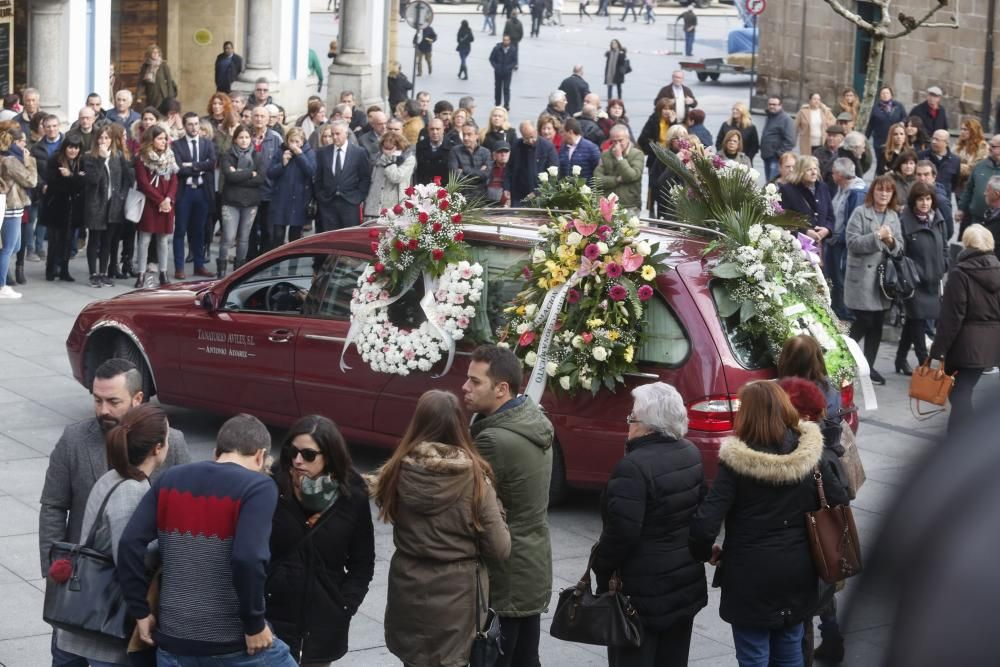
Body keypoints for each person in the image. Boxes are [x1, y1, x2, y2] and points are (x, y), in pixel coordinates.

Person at [39, 358, 191, 667]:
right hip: (81, 591)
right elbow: (53, 507)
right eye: (97, 399)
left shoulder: (171, 441)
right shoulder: (74, 440)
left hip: (122, 603)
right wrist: (56, 575)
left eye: (113, 401)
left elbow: (184, 507)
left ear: (137, 399)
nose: (103, 410)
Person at [689, 381, 849, 667]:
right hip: (799, 571)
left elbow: (705, 525)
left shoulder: (736, 464)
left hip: (750, 575)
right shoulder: (811, 456)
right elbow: (839, 498)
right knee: (790, 652)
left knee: (753, 656)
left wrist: (705, 552)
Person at [118, 413, 296, 664]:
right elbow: (248, 558)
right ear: (260, 455)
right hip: (232, 642)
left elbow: (129, 544)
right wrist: (254, 625)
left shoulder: (171, 479)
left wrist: (141, 610)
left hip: (173, 641)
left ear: (216, 452)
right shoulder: (257, 487)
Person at [373, 390, 511, 667]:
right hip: (457, 597)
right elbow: (500, 548)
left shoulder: (395, 471)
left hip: (407, 586)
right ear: (460, 426)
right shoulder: (476, 480)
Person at [592, 382, 708, 667]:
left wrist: (600, 565)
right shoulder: (690, 453)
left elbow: (621, 534)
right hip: (682, 586)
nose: (628, 424)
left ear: (648, 425)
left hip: (641, 594)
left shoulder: (633, 467)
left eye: (632, 418)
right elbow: (699, 512)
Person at [54, 404, 171, 667]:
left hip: (94, 619)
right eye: (167, 436)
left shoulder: (113, 477)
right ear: (157, 448)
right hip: (107, 627)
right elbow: (129, 556)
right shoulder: (131, 490)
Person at [463, 345, 552, 667]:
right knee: (525, 657)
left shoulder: (493, 441)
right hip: (530, 564)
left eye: (475, 382)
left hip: (507, 571)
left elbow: (470, 504)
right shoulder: (531, 419)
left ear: (502, 389)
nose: (466, 387)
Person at [266, 415, 375, 664]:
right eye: (292, 452)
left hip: (322, 625)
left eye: (308, 454)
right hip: (273, 623)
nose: (297, 460)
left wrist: (344, 606)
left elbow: (363, 562)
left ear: (329, 456)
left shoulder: (352, 497)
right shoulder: (272, 489)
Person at [930, 224, 1000, 433]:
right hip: (991, 345)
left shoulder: (960, 273)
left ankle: (963, 438)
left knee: (959, 393)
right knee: (962, 391)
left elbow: (951, 317)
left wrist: (938, 350)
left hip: (964, 345)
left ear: (967, 244)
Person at [845, 173, 904, 385]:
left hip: (881, 282)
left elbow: (899, 248)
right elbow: (852, 243)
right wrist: (876, 237)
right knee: (864, 320)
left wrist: (890, 241)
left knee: (877, 323)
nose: (884, 193)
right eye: (880, 189)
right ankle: (842, 356)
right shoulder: (860, 213)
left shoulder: (893, 216)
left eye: (888, 190)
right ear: (873, 191)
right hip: (861, 278)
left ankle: (868, 367)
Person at [894, 181, 949, 375]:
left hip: (934, 280)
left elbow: (944, 245)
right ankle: (923, 363)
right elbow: (902, 253)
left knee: (913, 321)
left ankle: (900, 360)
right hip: (914, 282)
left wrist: (944, 263)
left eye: (927, 199)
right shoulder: (905, 221)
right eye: (920, 199)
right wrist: (912, 274)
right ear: (913, 201)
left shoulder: (938, 219)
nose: (925, 203)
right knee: (917, 320)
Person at [82, 124, 134, 288]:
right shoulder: (90, 156)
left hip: (114, 203)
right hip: (96, 203)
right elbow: (93, 179)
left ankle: (104, 272)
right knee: (95, 239)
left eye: (107, 138)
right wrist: (102, 159)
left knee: (108, 240)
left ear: (112, 140)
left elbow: (127, 178)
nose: (103, 141)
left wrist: (122, 195)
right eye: (101, 137)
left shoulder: (118, 156)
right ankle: (93, 274)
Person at [170, 112, 216, 279]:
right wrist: (199, 167)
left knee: (199, 230)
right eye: (190, 124)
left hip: (202, 192)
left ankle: (199, 265)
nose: (194, 127)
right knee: (180, 230)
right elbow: (179, 168)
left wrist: (192, 165)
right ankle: (179, 267)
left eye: (196, 124)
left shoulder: (207, 144)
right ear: (184, 125)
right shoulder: (176, 145)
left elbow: (211, 163)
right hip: (185, 192)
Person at [134, 125, 179, 287]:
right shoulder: (142, 157)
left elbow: (174, 180)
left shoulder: (170, 155)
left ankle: (163, 273)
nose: (164, 141)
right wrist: (160, 200)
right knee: (144, 240)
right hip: (150, 203)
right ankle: (140, 274)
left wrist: (168, 199)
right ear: (151, 140)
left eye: (165, 138)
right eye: (160, 138)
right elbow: (143, 184)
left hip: (167, 204)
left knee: (163, 239)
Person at [219, 124, 262, 274]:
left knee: (244, 239)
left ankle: (238, 272)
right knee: (228, 238)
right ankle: (221, 272)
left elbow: (260, 179)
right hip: (231, 201)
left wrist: (238, 173)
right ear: (235, 139)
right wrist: (250, 173)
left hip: (250, 203)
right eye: (241, 137)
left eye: (247, 137)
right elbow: (229, 177)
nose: (244, 140)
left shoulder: (257, 156)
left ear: (251, 139)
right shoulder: (227, 155)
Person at [40, 134, 84, 283]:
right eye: (70, 147)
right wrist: (74, 179)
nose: (73, 151)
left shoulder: (79, 162)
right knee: (55, 240)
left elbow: (81, 185)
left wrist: (71, 176)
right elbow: (55, 185)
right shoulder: (55, 160)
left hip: (73, 208)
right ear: (65, 147)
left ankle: (64, 270)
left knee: (68, 240)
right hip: (56, 207)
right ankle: (50, 269)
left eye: (76, 148)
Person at [828, 157, 867, 321]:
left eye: (833, 172)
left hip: (843, 243)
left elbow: (852, 222)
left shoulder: (856, 192)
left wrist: (839, 238)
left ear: (839, 174)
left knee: (842, 277)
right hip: (836, 240)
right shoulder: (842, 188)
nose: (831, 175)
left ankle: (845, 311)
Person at [0, 127, 37, 299]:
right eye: (22, 141)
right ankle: (2, 286)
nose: (25, 144)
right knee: (8, 248)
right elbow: (31, 180)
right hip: (11, 206)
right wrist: (29, 161)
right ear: (14, 142)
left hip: (11, 206)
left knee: (14, 246)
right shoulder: (10, 160)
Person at [314, 120, 370, 231]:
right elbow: (318, 177)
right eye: (332, 134)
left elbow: (365, 177)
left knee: (349, 237)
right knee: (330, 237)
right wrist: (320, 195)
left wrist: (359, 196)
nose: (334, 137)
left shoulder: (358, 153)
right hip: (328, 202)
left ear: (346, 134)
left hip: (350, 202)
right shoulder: (323, 152)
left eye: (337, 134)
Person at [266, 126, 315, 249]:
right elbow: (270, 173)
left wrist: (300, 155)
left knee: (295, 238)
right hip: (281, 199)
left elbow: (311, 172)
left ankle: (292, 267)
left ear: (302, 142)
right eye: (291, 141)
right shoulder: (280, 151)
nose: (293, 145)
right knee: (277, 236)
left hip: (299, 199)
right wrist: (282, 163)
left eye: (297, 141)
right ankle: (275, 267)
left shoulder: (309, 152)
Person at [504, 120, 559, 206]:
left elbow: (553, 175)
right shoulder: (516, 145)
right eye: (526, 138)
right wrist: (506, 187)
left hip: (540, 195)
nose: (530, 140)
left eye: (532, 137)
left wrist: (537, 192)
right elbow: (509, 168)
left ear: (536, 131)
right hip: (518, 194)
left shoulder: (547, 147)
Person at [780, 154, 834, 240]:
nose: (814, 173)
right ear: (799, 171)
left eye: (815, 169)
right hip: (798, 245)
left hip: (821, 244)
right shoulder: (787, 190)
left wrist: (827, 229)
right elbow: (782, 220)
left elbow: (830, 216)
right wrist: (805, 232)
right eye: (809, 170)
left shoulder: (823, 187)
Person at [594, 123, 644, 211]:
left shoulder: (637, 154)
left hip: (630, 205)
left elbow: (631, 176)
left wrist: (619, 158)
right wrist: (616, 180)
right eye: (614, 141)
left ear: (628, 138)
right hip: (609, 205)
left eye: (620, 140)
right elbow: (597, 180)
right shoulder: (605, 154)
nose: (617, 144)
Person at [364, 131, 416, 218]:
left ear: (399, 147)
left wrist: (389, 162)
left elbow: (396, 177)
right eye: (385, 148)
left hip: (395, 207)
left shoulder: (409, 159)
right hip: (374, 208)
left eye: (390, 148)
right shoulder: (378, 158)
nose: (387, 151)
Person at [867, 86, 908, 163]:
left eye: (887, 93)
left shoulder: (898, 106)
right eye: (883, 93)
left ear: (891, 95)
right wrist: (865, 138)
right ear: (879, 96)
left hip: (895, 140)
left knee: (894, 161)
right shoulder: (875, 108)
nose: (885, 95)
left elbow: (905, 118)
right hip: (880, 141)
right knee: (881, 162)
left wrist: (902, 122)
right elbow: (870, 125)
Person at [449, 124, 492, 200]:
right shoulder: (455, 151)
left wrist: (464, 170)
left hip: (481, 197)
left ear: (477, 136)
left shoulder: (485, 152)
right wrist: (478, 174)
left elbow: (486, 175)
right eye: (464, 134)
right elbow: (455, 176)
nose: (465, 138)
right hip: (461, 196)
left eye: (469, 134)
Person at [761, 97, 796, 181]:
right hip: (767, 156)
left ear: (780, 105)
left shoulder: (786, 119)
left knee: (773, 183)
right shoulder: (769, 117)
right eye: (770, 104)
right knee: (769, 183)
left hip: (776, 158)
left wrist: (778, 154)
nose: (772, 106)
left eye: (774, 104)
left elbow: (790, 141)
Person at [920, 128, 961, 199]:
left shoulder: (955, 160)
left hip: (944, 199)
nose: (933, 142)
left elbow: (955, 182)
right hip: (924, 198)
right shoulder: (921, 156)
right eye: (933, 138)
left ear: (946, 143)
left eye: (937, 140)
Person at [136, 44, 177, 112]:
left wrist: (171, 97)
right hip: (151, 93)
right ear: (149, 54)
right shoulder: (145, 66)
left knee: (162, 110)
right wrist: (138, 96)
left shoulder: (163, 65)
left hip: (162, 93)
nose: (155, 54)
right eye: (153, 52)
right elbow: (141, 82)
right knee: (152, 110)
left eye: (157, 52)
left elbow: (169, 81)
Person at [559, 117, 601, 183]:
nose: (560, 135)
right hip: (567, 191)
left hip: (586, 190)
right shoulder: (563, 148)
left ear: (570, 132)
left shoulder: (591, 148)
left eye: (562, 132)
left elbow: (598, 170)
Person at [956, 118, 988, 200]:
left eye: (965, 129)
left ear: (973, 131)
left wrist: (957, 167)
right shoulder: (959, 145)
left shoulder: (982, 146)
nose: (962, 132)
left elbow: (976, 168)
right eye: (961, 129)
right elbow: (951, 161)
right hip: (959, 187)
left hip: (973, 187)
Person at [415, 117, 452, 185]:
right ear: (428, 130)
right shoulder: (419, 146)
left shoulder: (452, 148)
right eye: (432, 129)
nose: (435, 132)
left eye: (438, 129)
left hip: (445, 188)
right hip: (424, 188)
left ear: (443, 129)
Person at [489, 34, 519, 111]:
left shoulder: (513, 49)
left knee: (506, 88)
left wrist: (509, 68)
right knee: (498, 88)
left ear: (509, 41)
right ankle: (497, 103)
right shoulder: (497, 48)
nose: (505, 41)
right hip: (498, 72)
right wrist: (496, 67)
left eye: (507, 40)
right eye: (504, 40)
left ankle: (506, 104)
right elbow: (491, 58)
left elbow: (514, 61)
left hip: (507, 72)